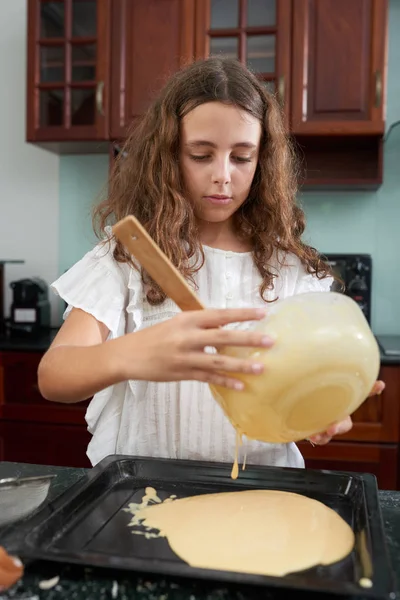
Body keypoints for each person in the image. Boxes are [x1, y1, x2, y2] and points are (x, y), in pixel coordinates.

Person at [38, 58, 384, 468]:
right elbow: (54, 376)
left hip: (260, 490)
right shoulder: (128, 257)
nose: (223, 175)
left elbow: (309, 386)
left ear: (263, 162)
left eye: (242, 157)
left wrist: (319, 411)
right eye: (201, 155)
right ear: (169, 157)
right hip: (144, 490)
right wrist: (130, 354)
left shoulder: (289, 269)